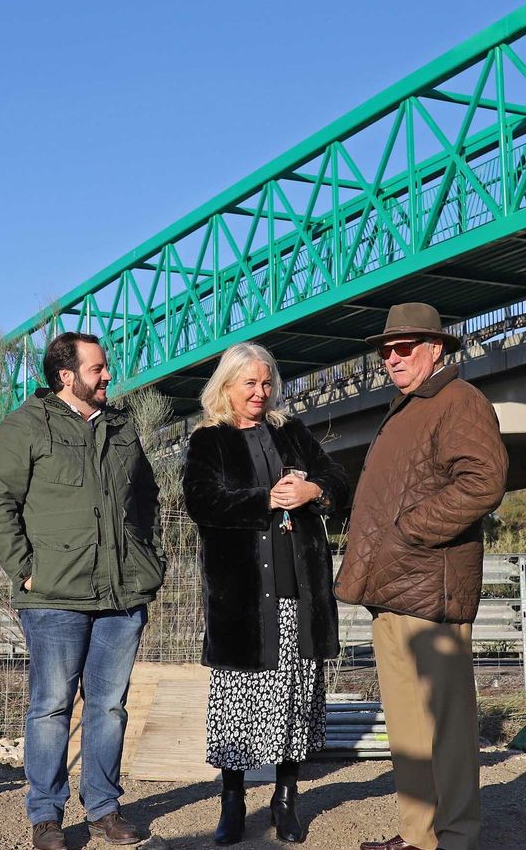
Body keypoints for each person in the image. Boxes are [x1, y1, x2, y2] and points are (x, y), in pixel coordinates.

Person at [0, 332, 164, 850]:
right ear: (67, 376)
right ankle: (46, 816)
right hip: (54, 596)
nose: (108, 376)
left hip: (122, 595)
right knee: (51, 705)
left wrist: (145, 552)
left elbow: (146, 494)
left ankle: (103, 808)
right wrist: (26, 570)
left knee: (108, 706)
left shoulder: (122, 425)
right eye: (99, 368)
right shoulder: (25, 427)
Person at [334, 302, 508, 850]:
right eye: (386, 350)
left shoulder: (458, 400)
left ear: (435, 349)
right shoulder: (413, 405)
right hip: (395, 587)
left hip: (429, 587)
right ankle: (419, 835)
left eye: (403, 348)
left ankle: (453, 837)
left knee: (445, 726)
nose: (391, 357)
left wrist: (408, 532)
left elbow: (483, 481)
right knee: (408, 726)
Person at [182, 342, 352, 846]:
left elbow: (339, 480)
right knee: (237, 701)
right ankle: (232, 801)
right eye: (249, 383)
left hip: (298, 588)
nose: (260, 393)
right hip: (242, 595)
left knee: (296, 699)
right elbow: (200, 500)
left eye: (266, 383)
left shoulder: (291, 430)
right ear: (227, 385)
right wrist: (265, 499)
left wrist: (312, 491)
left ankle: (286, 799)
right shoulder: (208, 439)